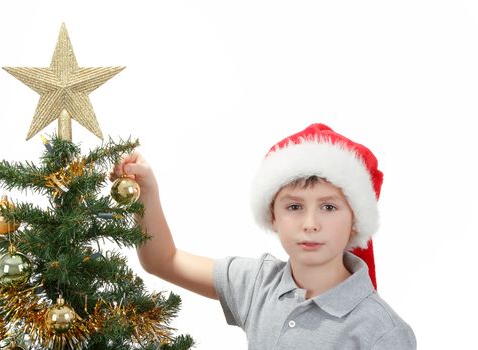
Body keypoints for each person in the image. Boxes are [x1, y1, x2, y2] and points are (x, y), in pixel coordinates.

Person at [110, 123, 416, 349]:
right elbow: (164, 260)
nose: (310, 223)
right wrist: (145, 195)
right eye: (294, 206)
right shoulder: (258, 283)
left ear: (355, 220)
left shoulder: (382, 331)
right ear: (273, 215)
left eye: (329, 207)